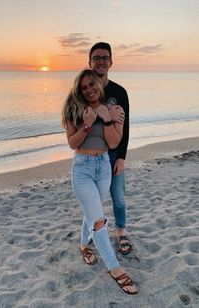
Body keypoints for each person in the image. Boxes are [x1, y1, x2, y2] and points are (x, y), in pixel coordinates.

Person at [61, 69, 138, 295]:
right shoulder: (74, 109)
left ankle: (84, 245)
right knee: (98, 220)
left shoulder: (115, 110)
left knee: (92, 212)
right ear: (79, 90)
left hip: (103, 167)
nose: (89, 90)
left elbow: (114, 143)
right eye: (84, 87)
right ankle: (116, 269)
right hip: (82, 169)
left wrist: (105, 118)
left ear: (98, 84)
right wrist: (86, 124)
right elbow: (72, 144)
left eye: (92, 84)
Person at [89, 42, 132, 255]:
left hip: (113, 154)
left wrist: (122, 157)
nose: (101, 61)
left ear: (111, 62)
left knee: (118, 196)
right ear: (89, 62)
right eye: (96, 57)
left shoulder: (119, 92)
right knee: (92, 198)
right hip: (91, 155)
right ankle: (91, 230)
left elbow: (125, 126)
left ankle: (121, 231)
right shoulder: (84, 89)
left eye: (105, 57)